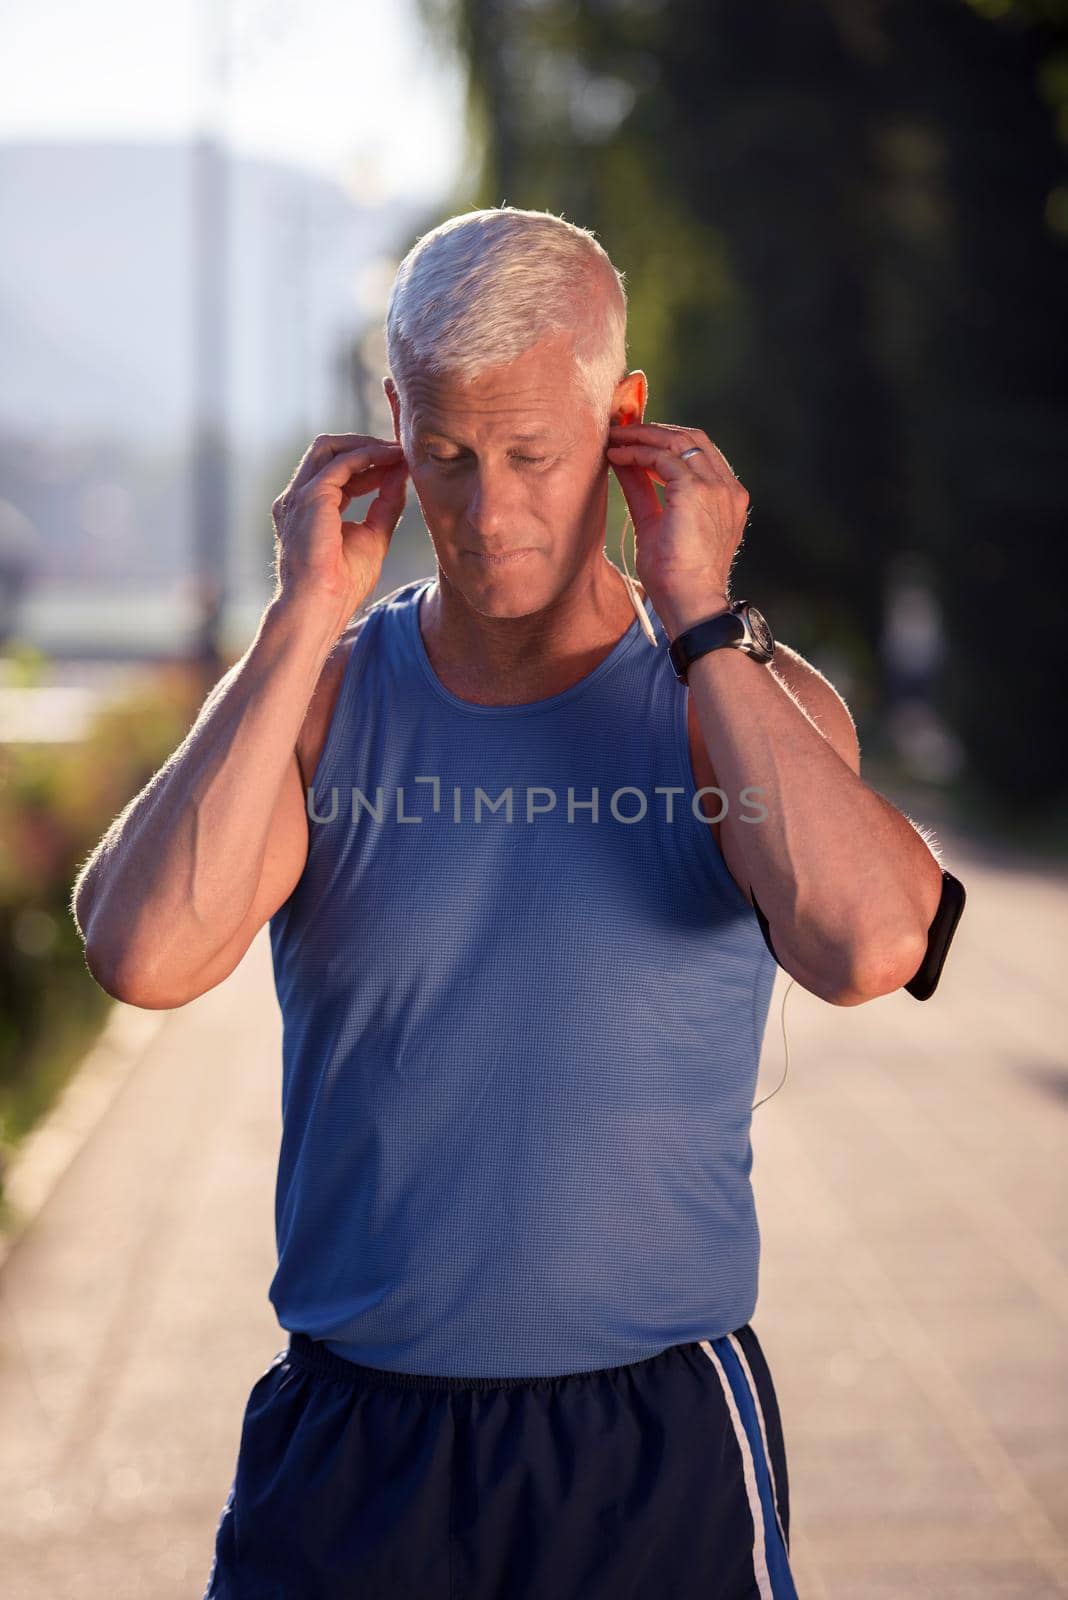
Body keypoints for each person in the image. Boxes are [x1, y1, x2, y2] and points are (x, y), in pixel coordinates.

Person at [72, 205, 954, 1599]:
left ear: (627, 417)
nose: (487, 515)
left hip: (648, 1446)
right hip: (352, 1443)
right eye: (448, 456)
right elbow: (142, 952)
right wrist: (299, 621)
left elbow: (870, 946)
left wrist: (699, 616)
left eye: (536, 456)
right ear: (393, 427)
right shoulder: (330, 701)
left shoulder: (729, 709)